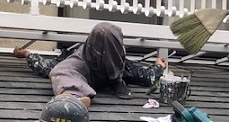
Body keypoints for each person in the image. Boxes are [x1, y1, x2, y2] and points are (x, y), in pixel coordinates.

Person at [14, 22, 166, 106]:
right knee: (61, 70)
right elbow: (48, 68)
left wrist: (159, 65)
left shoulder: (123, 66)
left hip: (115, 75)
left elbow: (147, 77)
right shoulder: (75, 59)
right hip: (82, 68)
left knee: (106, 32)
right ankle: (72, 96)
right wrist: (27, 54)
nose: (104, 52)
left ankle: (78, 96)